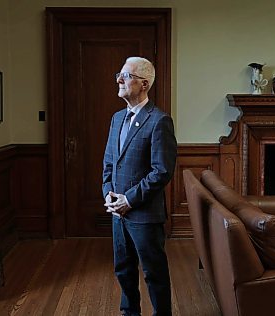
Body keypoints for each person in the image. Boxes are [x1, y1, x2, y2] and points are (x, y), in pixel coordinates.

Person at [102, 57, 177, 316]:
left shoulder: (159, 121)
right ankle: (129, 312)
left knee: (153, 272)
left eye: (126, 75)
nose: (119, 79)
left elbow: (162, 171)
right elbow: (109, 162)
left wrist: (129, 200)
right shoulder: (116, 118)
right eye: (119, 74)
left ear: (144, 84)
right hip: (118, 213)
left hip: (144, 214)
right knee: (122, 268)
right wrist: (109, 195)